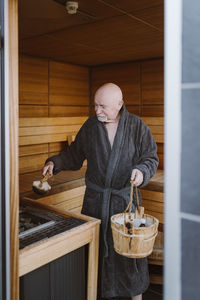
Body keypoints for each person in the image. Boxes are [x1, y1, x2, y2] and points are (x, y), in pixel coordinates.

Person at [43, 83, 159, 300]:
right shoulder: (90, 126)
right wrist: (55, 163)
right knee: (96, 256)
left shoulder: (136, 126)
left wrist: (142, 172)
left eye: (103, 106)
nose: (97, 111)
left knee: (129, 256)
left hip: (124, 204)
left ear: (119, 104)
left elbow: (150, 157)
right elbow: (74, 155)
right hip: (95, 203)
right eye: (95, 105)